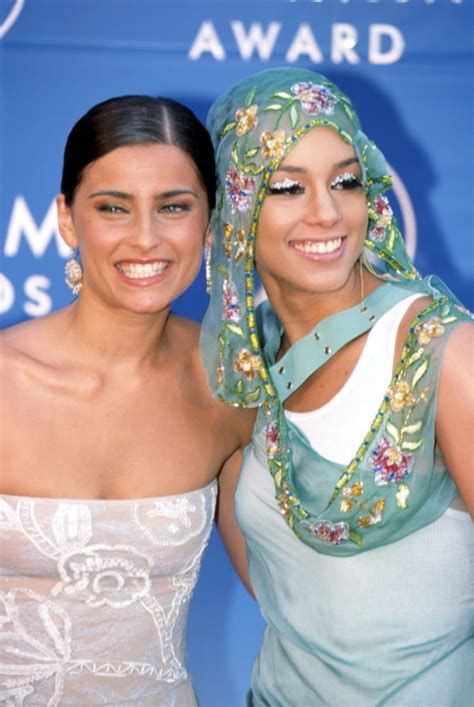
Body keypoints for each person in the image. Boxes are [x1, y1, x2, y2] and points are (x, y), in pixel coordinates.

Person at [201, 68, 474, 705]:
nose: (326, 212)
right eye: (287, 186)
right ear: (235, 207)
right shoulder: (238, 365)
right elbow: (285, 599)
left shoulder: (445, 355)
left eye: (346, 181)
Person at [0, 95, 253, 705]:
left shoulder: (233, 385)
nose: (146, 237)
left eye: (174, 207)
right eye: (113, 207)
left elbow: (292, 594)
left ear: (209, 223)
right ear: (66, 219)